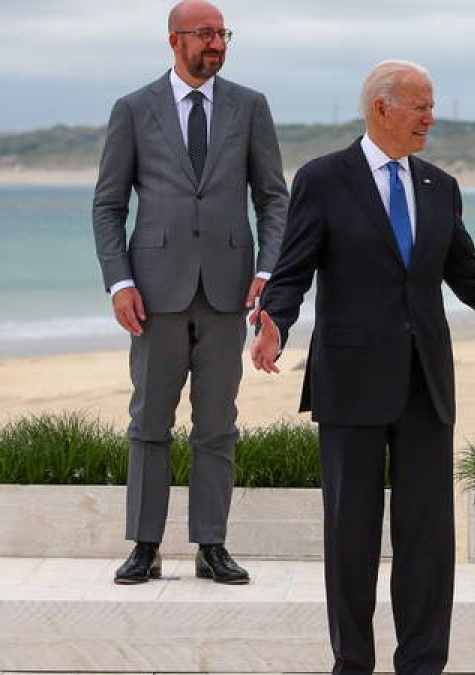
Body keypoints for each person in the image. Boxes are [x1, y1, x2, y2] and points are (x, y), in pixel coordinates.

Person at [250, 60, 475, 675]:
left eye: (431, 106)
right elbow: (294, 267)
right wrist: (275, 320)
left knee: (428, 541)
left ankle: (422, 665)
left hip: (426, 384)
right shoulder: (323, 178)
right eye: (420, 106)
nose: (430, 118)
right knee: (351, 538)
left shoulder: (440, 185)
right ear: (381, 108)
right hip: (351, 382)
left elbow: (470, 278)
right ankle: (352, 663)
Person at [92, 0, 288, 585]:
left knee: (217, 423)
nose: (217, 44)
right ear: (174, 40)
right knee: (149, 421)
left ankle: (212, 545)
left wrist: (269, 270)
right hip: (153, 294)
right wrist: (120, 281)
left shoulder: (250, 106)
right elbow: (108, 206)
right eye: (205, 34)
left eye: (223, 33)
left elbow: (272, 199)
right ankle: (145, 545)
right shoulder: (133, 109)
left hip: (230, 291)